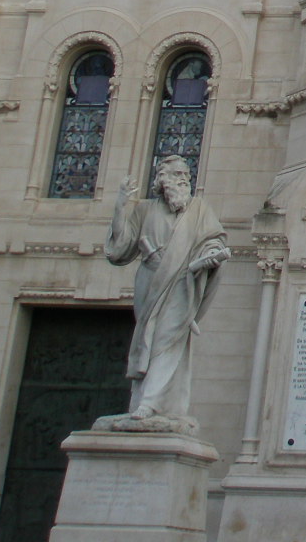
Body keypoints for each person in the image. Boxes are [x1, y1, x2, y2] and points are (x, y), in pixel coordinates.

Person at [101, 154, 230, 430]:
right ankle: (140, 402)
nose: (183, 179)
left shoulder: (199, 210)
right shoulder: (144, 210)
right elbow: (120, 248)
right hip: (150, 282)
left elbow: (213, 240)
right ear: (162, 179)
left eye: (185, 175)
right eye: (176, 174)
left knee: (167, 340)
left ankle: (150, 402)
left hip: (182, 283)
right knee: (147, 338)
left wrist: (210, 256)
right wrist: (121, 207)